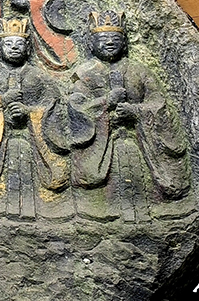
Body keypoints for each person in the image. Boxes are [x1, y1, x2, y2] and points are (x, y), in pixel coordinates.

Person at [67, 12, 190, 221]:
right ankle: (102, 211)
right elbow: (76, 107)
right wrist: (106, 102)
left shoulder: (139, 71)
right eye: (102, 39)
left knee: (140, 178)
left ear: (124, 43)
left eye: (115, 39)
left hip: (137, 141)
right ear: (91, 44)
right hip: (103, 147)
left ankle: (150, 209)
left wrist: (136, 112)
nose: (109, 43)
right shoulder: (84, 73)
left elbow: (158, 103)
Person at [0, 18, 72, 219]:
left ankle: (43, 210)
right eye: (8, 43)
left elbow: (55, 108)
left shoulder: (39, 77)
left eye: (19, 43)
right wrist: (0, 103)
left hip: (31, 143)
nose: (14, 47)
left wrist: (31, 113)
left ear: (28, 48)